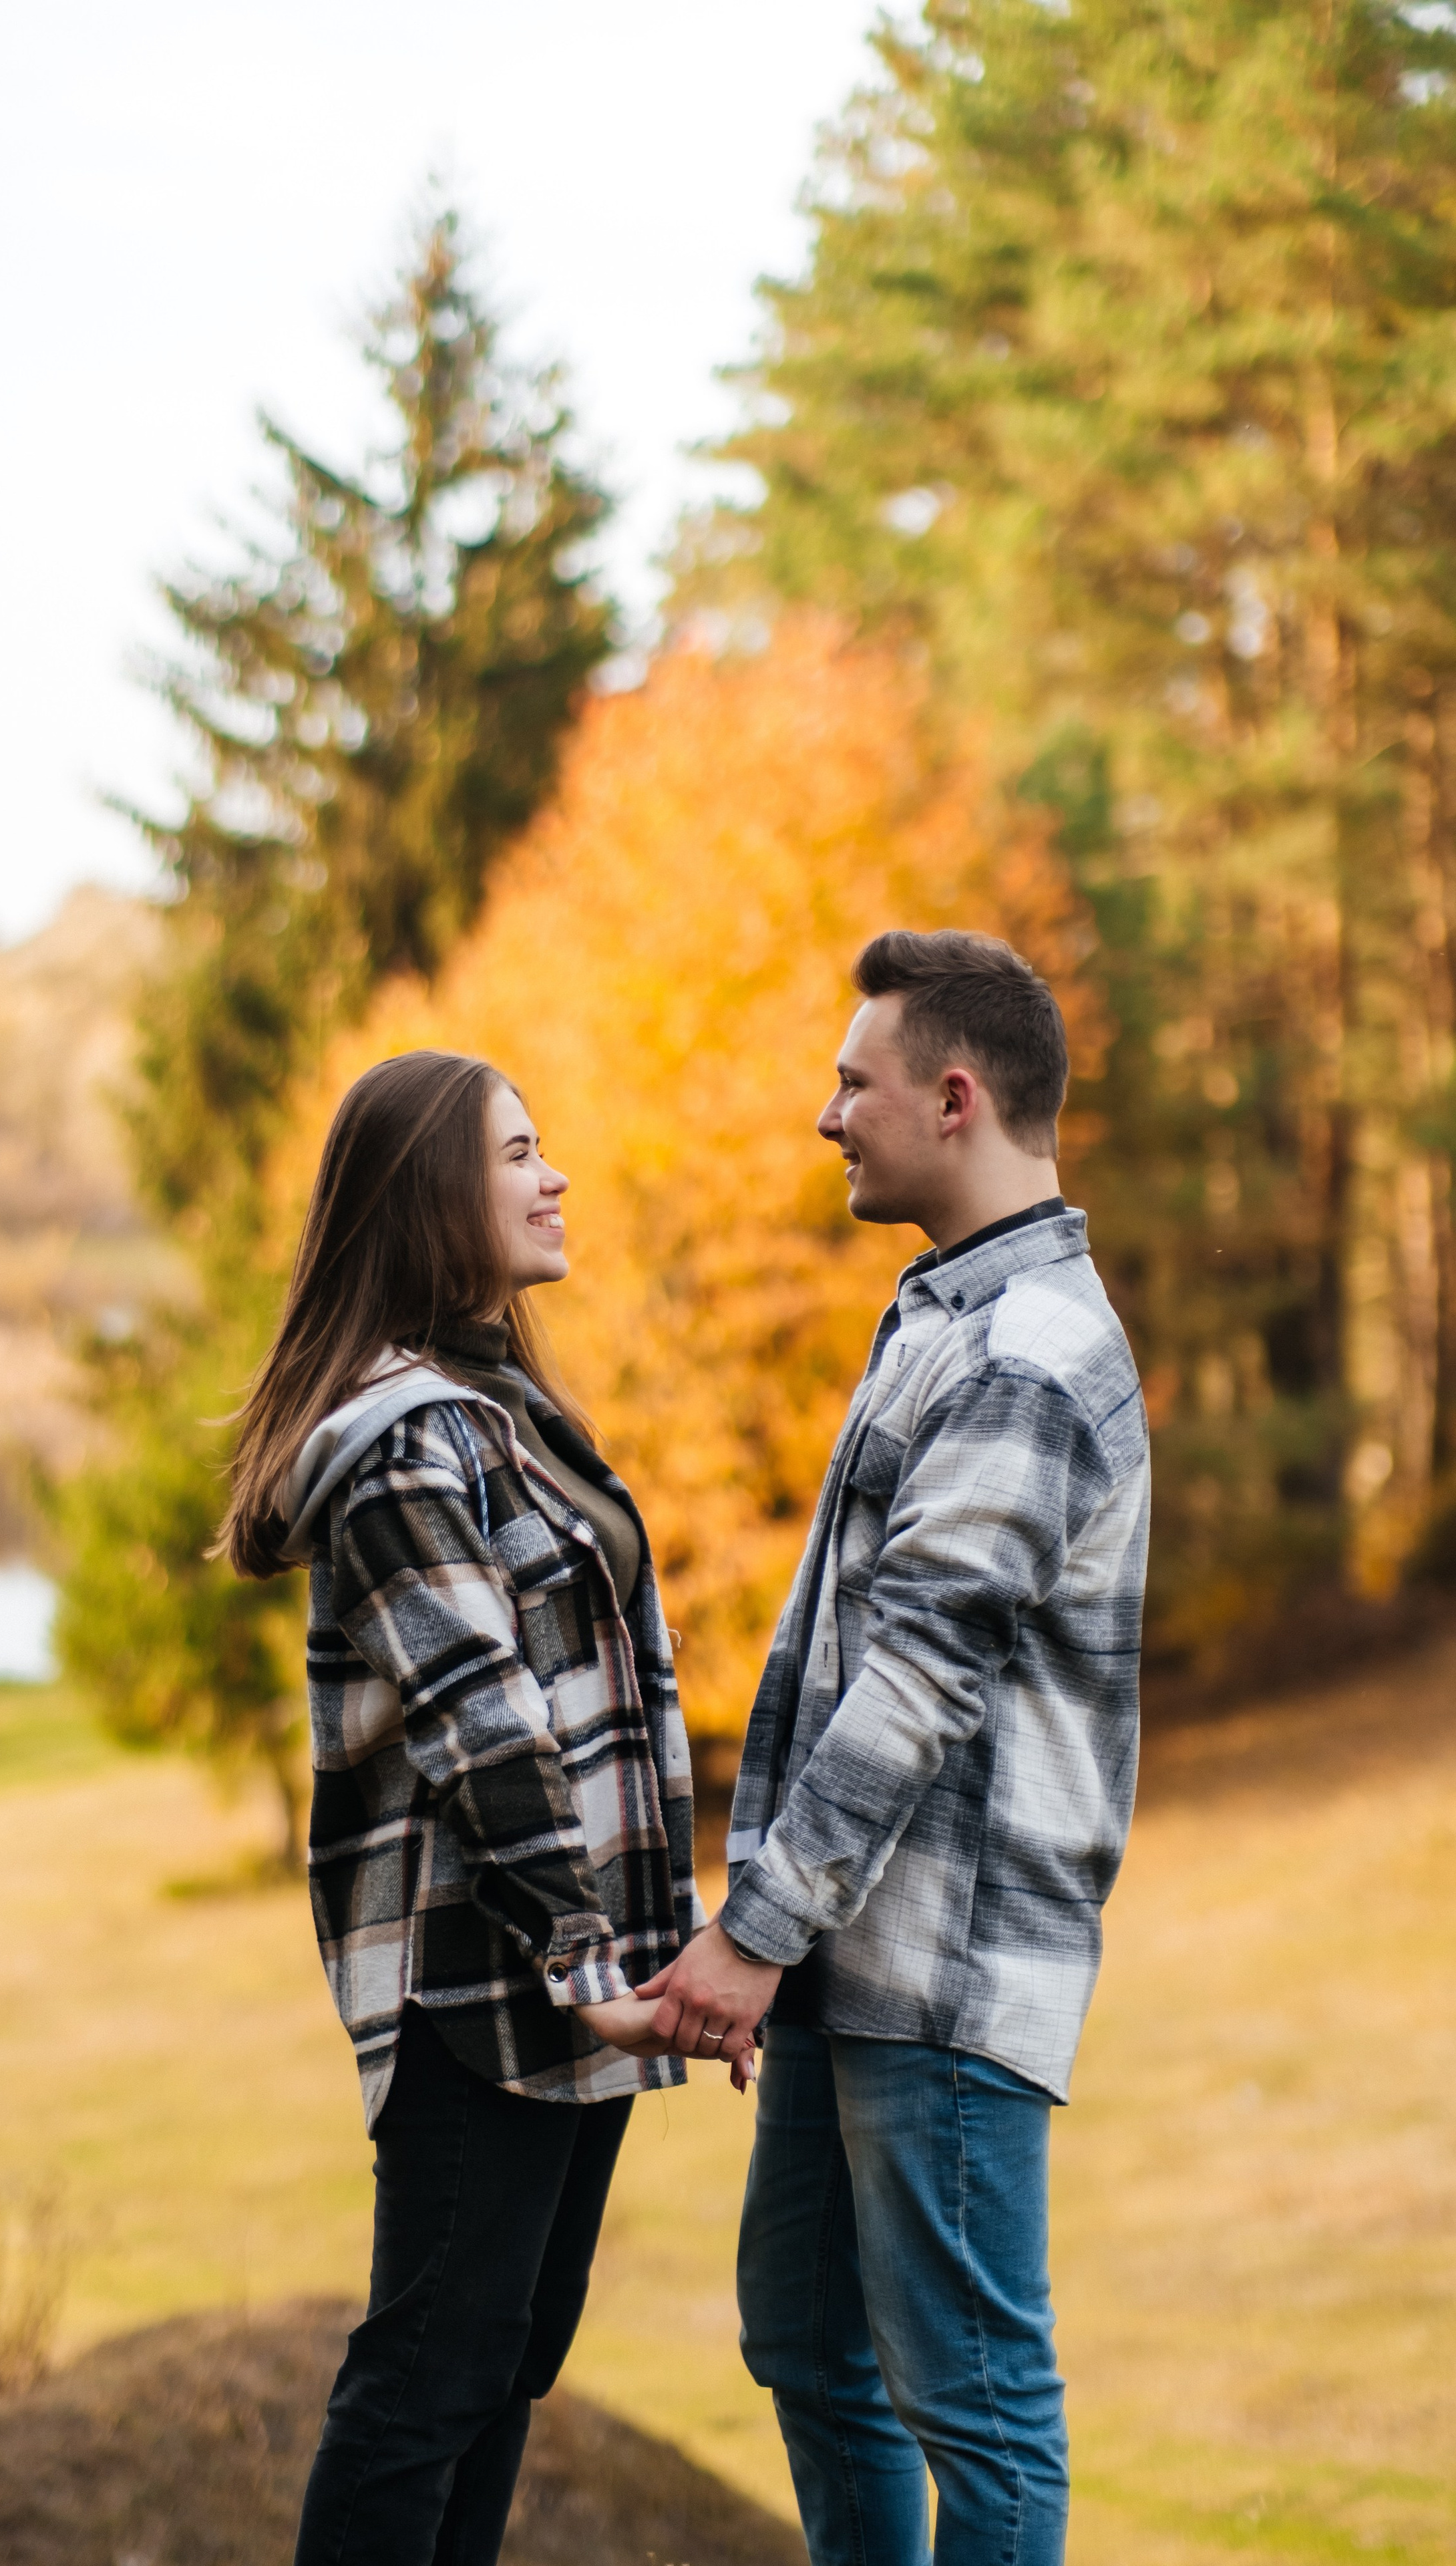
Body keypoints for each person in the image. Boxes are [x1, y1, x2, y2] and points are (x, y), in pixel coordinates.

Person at [639, 929, 1150, 2566]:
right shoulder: (944, 1316)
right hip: (848, 1966)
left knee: (977, 2407)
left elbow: (920, 1677)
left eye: (848, 1083)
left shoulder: (1029, 1355)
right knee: (803, 2338)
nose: (822, 1114)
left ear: (951, 1097)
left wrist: (750, 1931)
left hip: (935, 1974)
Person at [216, 1048, 707, 2566]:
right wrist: (582, 1960)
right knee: (428, 2379)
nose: (553, 1176)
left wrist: (642, 1959)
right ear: (429, 1191)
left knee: (503, 2366)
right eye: (515, 1153)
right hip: (484, 1983)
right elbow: (483, 1723)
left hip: (579, 1982)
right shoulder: (402, 1441)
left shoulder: (500, 1410)